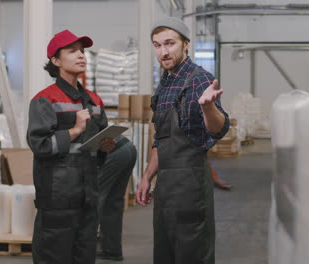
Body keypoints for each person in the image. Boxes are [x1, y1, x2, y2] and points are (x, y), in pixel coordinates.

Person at [136, 16, 230, 264]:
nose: (163, 51)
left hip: (190, 185)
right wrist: (147, 176)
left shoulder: (199, 79)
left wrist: (209, 108)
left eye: (170, 43)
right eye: (157, 45)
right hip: (165, 185)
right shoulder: (164, 84)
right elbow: (161, 138)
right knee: (165, 251)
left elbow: (219, 130)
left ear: (186, 44)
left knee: (192, 253)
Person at [27, 29, 115, 264]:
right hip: (58, 199)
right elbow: (40, 146)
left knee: (84, 256)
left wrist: (105, 147)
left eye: (82, 51)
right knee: (54, 256)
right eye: (72, 51)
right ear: (56, 61)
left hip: (88, 195)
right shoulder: (45, 100)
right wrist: (74, 131)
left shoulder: (94, 101)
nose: (81, 55)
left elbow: (96, 148)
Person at [96, 135, 137, 261]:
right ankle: (112, 250)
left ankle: (83, 249)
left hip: (115, 152)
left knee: (95, 199)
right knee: (112, 202)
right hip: (128, 147)